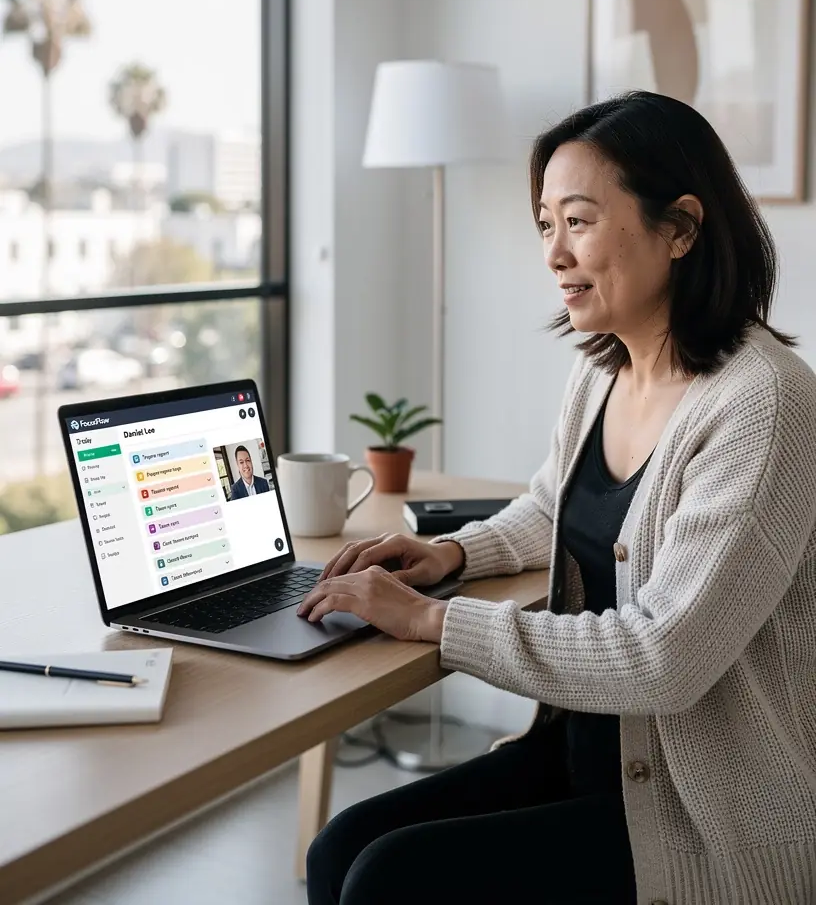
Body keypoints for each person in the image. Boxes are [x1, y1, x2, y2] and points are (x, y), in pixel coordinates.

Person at [298, 91, 816, 905]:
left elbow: (663, 660)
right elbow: (553, 506)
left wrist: (432, 618)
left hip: (699, 812)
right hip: (583, 752)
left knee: (386, 883)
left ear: (680, 228)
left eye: (578, 221)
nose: (553, 252)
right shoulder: (603, 367)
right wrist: (453, 553)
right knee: (338, 851)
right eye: (546, 224)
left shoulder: (764, 404)